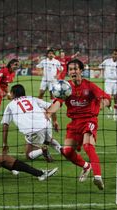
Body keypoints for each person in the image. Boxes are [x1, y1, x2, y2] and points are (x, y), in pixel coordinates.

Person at [46, 59, 111, 190]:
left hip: (89, 120)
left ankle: (97, 176)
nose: (73, 72)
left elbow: (107, 99)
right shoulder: (65, 87)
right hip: (75, 123)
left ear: (81, 70)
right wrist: (48, 113)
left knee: (88, 146)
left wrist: (102, 105)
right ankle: (86, 166)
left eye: (75, 69)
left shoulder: (90, 86)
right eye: (70, 69)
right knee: (67, 151)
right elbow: (58, 103)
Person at [1, 84, 62, 164]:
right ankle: (62, 150)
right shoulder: (32, 98)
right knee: (48, 140)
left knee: (28, 155)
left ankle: (42, 150)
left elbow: (5, 125)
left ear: (13, 93)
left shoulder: (10, 105)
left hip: (32, 130)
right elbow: (51, 106)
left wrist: (5, 144)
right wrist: (55, 121)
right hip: (46, 124)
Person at [98, 49, 117, 121]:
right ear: (112, 54)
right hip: (108, 81)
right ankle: (109, 110)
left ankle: (115, 113)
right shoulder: (107, 61)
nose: (116, 55)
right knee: (108, 97)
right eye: (114, 54)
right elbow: (100, 67)